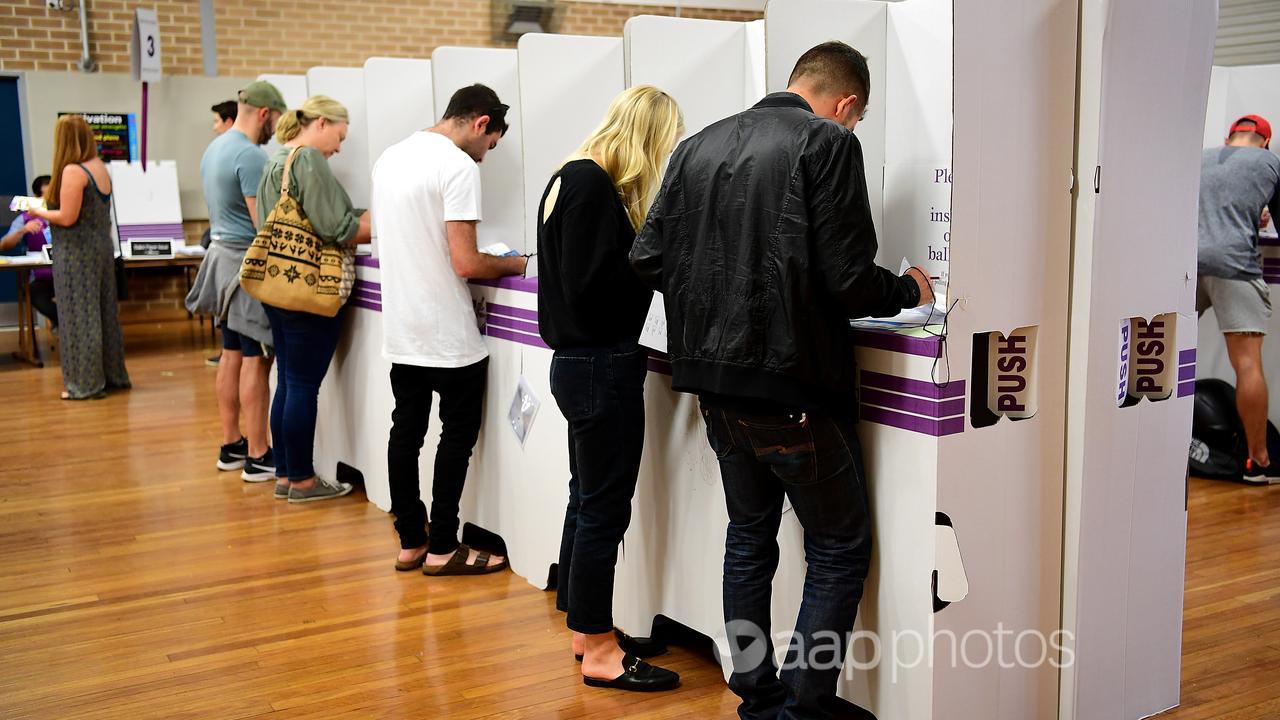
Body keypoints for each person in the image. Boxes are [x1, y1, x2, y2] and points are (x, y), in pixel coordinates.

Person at [630, 42, 934, 719]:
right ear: (846, 103)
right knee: (839, 544)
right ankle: (803, 708)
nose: (852, 128)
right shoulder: (827, 143)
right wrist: (908, 288)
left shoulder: (697, 145)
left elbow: (647, 257)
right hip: (794, 385)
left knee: (748, 538)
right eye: (856, 119)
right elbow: (851, 280)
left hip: (713, 385)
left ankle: (757, 696)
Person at [536, 85, 683, 692]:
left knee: (586, 498)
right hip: (601, 365)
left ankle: (588, 627)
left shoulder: (565, 178)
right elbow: (594, 288)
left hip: (578, 365)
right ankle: (599, 648)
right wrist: (655, 262)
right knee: (603, 508)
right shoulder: (595, 186)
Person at [372, 84, 523, 575]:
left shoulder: (389, 159)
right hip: (448, 336)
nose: (485, 157)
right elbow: (465, 262)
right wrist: (516, 263)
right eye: (491, 145)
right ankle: (443, 547)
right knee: (455, 437)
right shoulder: (456, 166)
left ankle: (411, 542)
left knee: (406, 432)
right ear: (481, 123)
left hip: (401, 328)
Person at [258, 95, 371, 503]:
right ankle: (304, 481)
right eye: (339, 136)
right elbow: (337, 227)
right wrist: (388, 221)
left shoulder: (275, 161)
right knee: (303, 385)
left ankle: (287, 475)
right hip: (309, 292)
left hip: (278, 287)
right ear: (321, 123)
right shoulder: (307, 159)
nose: (339, 147)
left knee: (287, 382)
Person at [186, 81, 286, 482]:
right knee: (256, 359)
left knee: (230, 353)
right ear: (264, 113)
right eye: (275, 121)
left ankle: (232, 444)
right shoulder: (250, 155)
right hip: (246, 266)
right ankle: (260, 454)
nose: (274, 131)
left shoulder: (216, 148)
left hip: (220, 259)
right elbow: (262, 223)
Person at [1197, 114, 1280, 482]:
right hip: (1234, 266)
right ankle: (1258, 461)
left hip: (1184, 264)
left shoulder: (1199, 157)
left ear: (1229, 137)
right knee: (1247, 364)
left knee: (1167, 353)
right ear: (1265, 141)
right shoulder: (1268, 163)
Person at [29, 115, 132, 400]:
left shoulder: (73, 171)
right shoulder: (98, 167)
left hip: (76, 254)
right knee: (104, 315)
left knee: (78, 317)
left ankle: (85, 384)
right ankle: (112, 376)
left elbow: (67, 217)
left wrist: (38, 211)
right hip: (100, 249)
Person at [1, 175, 56, 328]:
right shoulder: (24, 219)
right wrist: (23, 230)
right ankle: (62, 322)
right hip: (42, 277)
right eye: (42, 196)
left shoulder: (64, 215)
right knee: (34, 294)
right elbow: (4, 244)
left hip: (66, 272)